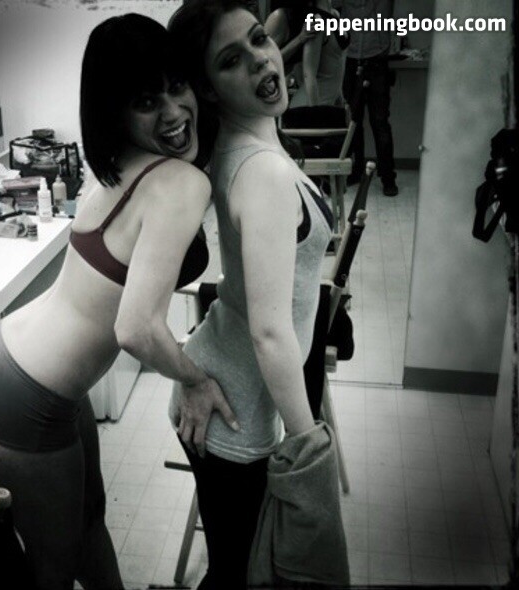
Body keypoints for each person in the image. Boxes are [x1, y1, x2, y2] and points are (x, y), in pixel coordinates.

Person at [0, 14, 238, 590]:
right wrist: (195, 379)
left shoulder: (124, 165)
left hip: (26, 371)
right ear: (116, 112)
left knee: (89, 523)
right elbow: (136, 329)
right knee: (55, 564)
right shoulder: (178, 182)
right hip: (25, 396)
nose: (173, 112)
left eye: (177, 87)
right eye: (146, 101)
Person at [168, 2, 337, 587]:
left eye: (260, 40)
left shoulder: (251, 145)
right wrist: (309, 444)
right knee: (237, 574)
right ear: (208, 90)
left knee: (236, 567)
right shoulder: (261, 171)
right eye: (231, 61)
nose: (262, 61)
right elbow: (269, 331)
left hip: (227, 393)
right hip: (230, 415)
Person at [341, 0, 399, 195]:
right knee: (353, 122)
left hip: (377, 60)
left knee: (380, 122)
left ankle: (388, 177)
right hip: (350, 60)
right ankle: (357, 170)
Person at [266, 0, 349, 107]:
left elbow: (336, 66)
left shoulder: (330, 15)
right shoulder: (280, 16)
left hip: (323, 99)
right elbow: (266, 62)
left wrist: (340, 100)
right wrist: (299, 39)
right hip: (271, 95)